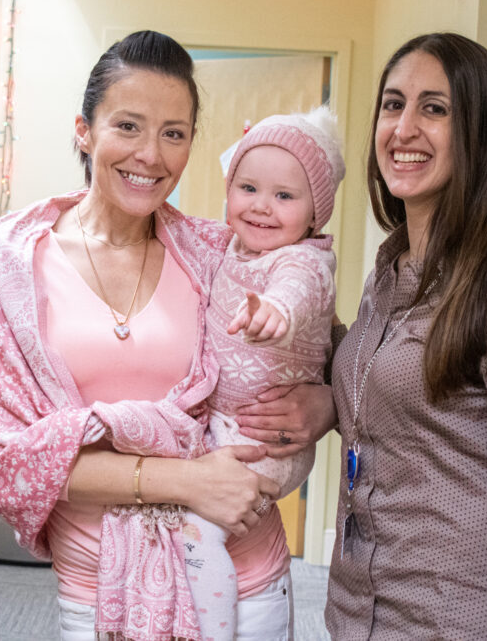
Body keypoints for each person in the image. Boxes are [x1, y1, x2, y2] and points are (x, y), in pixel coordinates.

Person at [0, 31, 314, 641]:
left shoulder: (215, 253)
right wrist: (184, 480)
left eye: (173, 133)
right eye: (128, 126)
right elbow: (0, 452)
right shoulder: (8, 257)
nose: (151, 155)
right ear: (84, 130)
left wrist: (321, 403)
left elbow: (321, 338)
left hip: (245, 577)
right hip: (97, 588)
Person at [320, 33, 487, 638]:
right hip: (359, 611)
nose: (403, 128)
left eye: (434, 109)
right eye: (392, 104)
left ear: (478, 134)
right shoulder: (390, 269)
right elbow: (378, 392)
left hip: (454, 620)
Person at [182, 108, 343, 640]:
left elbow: (296, 291)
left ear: (315, 214)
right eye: (248, 187)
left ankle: (213, 625)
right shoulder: (228, 246)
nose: (261, 207)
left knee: (194, 529)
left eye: (284, 196)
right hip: (227, 424)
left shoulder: (301, 261)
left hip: (267, 442)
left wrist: (274, 312)